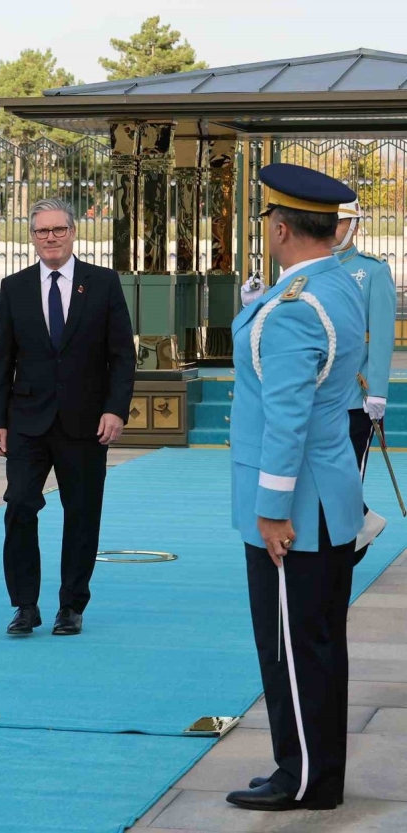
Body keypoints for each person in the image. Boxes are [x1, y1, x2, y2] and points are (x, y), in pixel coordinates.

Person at [226, 164, 365, 811]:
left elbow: (287, 419)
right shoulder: (335, 284)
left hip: (296, 510)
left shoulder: (295, 309)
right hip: (326, 494)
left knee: (291, 647)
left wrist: (273, 510)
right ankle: (313, 768)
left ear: (280, 228)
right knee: (317, 641)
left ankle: (303, 776)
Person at [0, 197, 136, 637]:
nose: (50, 238)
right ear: (32, 237)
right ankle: (25, 605)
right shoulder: (14, 287)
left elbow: (121, 356)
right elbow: (2, 360)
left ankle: (71, 605)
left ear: (73, 232)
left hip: (86, 421)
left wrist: (115, 409)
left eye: (58, 230)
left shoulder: (103, 283)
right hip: (27, 420)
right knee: (19, 505)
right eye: (41, 231)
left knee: (82, 513)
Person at [333, 200, 396, 558]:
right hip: (318, 395)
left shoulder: (371, 271)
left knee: (348, 473)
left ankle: (351, 540)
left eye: (340, 222)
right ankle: (361, 523)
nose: (333, 228)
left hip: (355, 395)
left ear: (355, 225)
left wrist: (378, 391)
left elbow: (382, 336)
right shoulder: (311, 269)